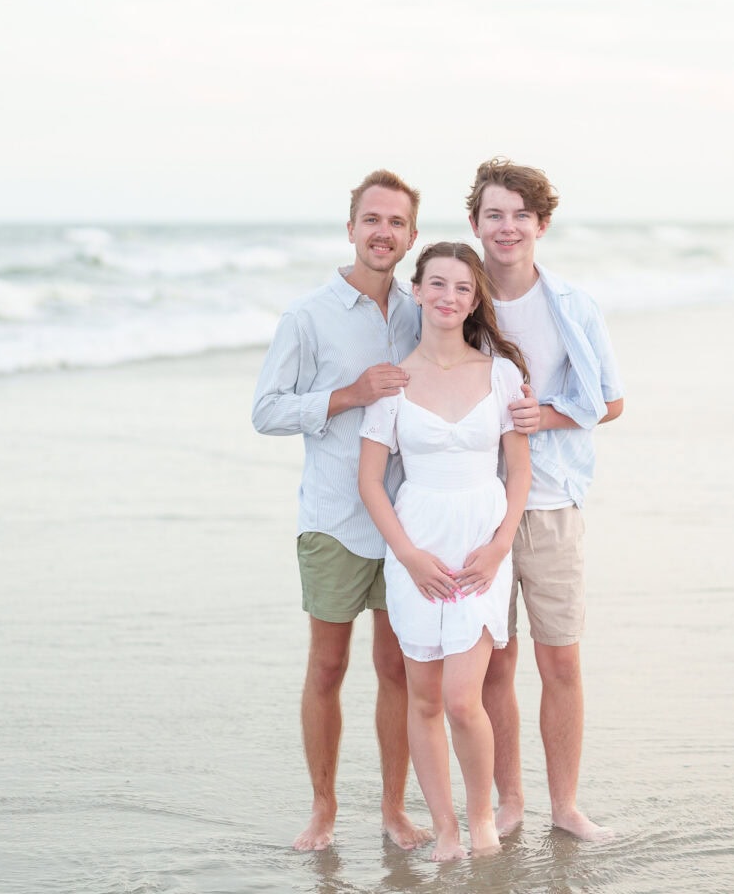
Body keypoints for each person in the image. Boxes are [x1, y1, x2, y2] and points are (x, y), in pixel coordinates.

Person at [251, 172, 540, 852]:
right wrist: (347, 395)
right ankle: (323, 810)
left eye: (397, 223)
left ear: (410, 237)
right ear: (351, 228)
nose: (383, 231)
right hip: (337, 519)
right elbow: (265, 412)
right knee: (327, 667)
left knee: (400, 672)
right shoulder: (308, 316)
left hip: (427, 529)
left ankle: (395, 810)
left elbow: (466, 339)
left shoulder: (420, 311)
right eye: (371, 219)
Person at [466, 158, 624, 842]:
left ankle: (565, 807)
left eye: (520, 215)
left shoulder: (574, 306)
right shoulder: (453, 297)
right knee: (494, 662)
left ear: (542, 225)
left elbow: (609, 402)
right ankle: (511, 803)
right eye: (494, 214)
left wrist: (546, 417)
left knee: (560, 658)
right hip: (476, 507)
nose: (507, 227)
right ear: (475, 222)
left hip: (554, 502)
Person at [356, 242, 531, 861]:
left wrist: (499, 544)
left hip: (481, 543)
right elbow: (370, 481)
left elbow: (519, 472)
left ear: (475, 296)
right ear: (419, 290)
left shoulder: (501, 374)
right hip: (418, 547)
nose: (448, 297)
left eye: (461, 286)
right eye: (436, 284)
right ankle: (446, 830)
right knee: (424, 697)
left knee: (464, 698)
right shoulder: (394, 382)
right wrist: (406, 555)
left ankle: (481, 817)